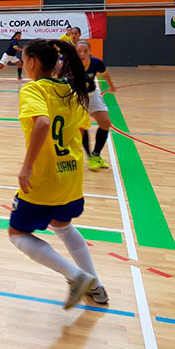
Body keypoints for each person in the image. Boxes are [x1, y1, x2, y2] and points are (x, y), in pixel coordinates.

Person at [9, 38, 108, 309]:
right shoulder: (73, 91)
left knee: (17, 234)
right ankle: (96, 287)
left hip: (45, 178)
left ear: (32, 62)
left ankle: (78, 277)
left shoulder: (34, 90)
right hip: (72, 175)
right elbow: (79, 129)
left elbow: (42, 122)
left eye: (24, 60)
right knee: (63, 226)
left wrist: (28, 165)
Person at [76, 40, 116, 171]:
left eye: (85, 51)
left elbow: (104, 73)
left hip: (92, 94)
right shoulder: (69, 64)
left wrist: (111, 85)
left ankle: (96, 154)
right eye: (79, 51)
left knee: (105, 122)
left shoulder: (96, 62)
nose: (82, 53)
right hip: (76, 97)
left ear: (90, 52)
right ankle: (89, 158)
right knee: (82, 127)